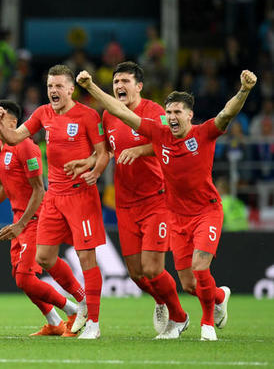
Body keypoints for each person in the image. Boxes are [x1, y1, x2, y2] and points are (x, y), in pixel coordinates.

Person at [75, 69, 257, 341]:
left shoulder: (203, 134)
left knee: (192, 268)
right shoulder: (159, 134)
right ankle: (217, 296)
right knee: (179, 282)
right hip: (173, 214)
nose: (171, 117)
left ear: (189, 115)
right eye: (169, 113)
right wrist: (91, 88)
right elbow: (121, 114)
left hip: (199, 209)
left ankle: (204, 324)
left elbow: (226, 114)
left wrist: (244, 90)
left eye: (177, 113)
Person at [65, 62, 188, 339]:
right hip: (125, 203)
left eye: (125, 81)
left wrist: (141, 151)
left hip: (155, 200)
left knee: (152, 269)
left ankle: (179, 318)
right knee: (135, 274)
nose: (120, 85)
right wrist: (91, 165)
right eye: (116, 81)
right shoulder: (109, 116)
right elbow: (106, 151)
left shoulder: (155, 112)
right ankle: (160, 302)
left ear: (139, 86)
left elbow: (167, 144)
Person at [0, 65, 110, 339]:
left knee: (86, 258)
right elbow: (13, 137)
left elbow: (103, 152)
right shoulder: (43, 113)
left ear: (71, 89)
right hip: (54, 196)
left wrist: (95, 171)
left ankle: (93, 321)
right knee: (44, 257)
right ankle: (82, 302)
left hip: (81, 194)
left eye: (58, 86)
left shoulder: (88, 115)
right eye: (49, 86)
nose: (53, 91)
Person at [0, 99, 79, 337]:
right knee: (21, 279)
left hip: (37, 218)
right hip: (20, 220)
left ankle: (75, 309)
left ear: (14, 122)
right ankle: (54, 322)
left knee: (26, 278)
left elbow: (39, 189)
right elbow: (4, 187)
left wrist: (21, 224)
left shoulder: (26, 147)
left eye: (1, 118)